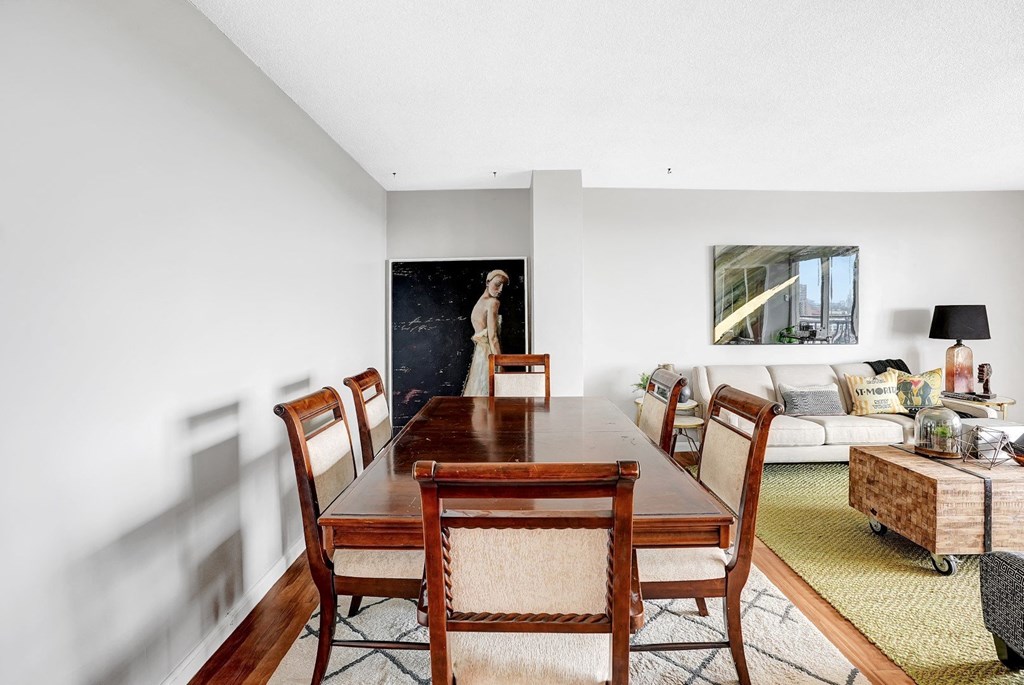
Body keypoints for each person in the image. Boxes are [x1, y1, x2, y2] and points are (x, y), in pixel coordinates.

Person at [462, 269, 509, 396]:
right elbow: (492, 338)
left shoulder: (479, 303)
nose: (500, 290)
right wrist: (502, 364)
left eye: (503, 287)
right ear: (488, 282)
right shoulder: (493, 303)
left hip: (479, 356)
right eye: (498, 284)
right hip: (490, 356)